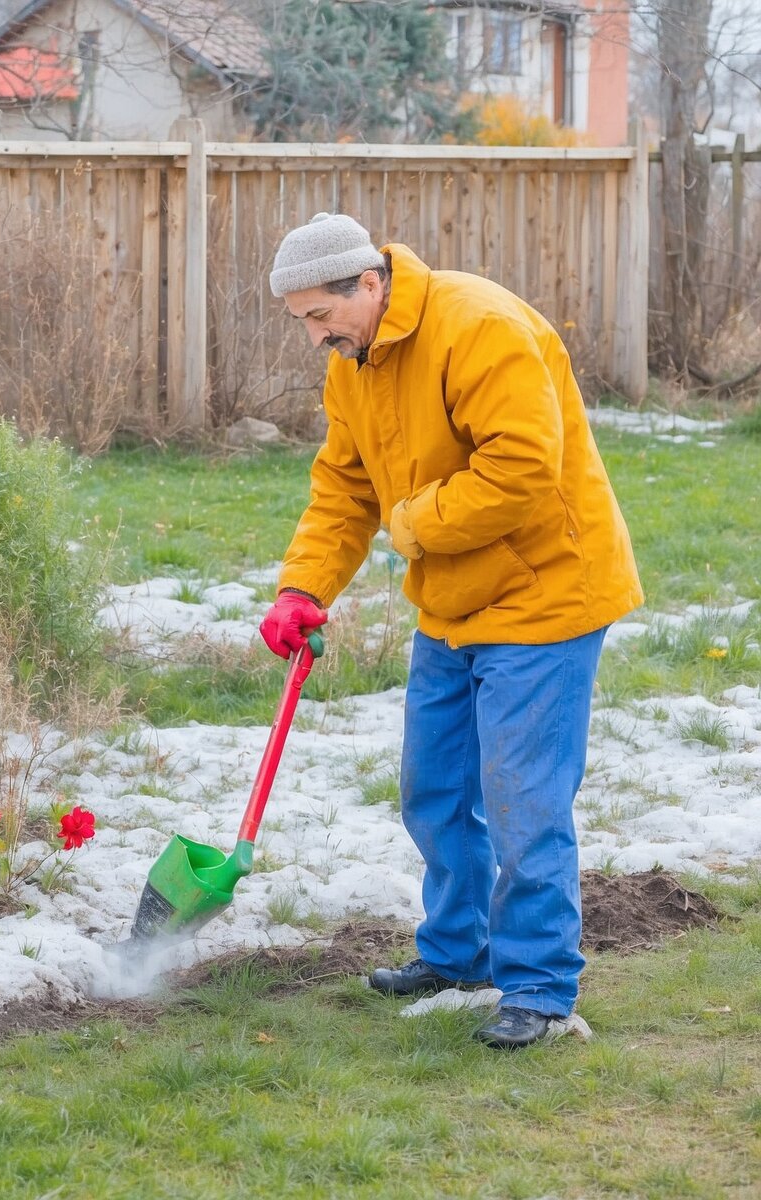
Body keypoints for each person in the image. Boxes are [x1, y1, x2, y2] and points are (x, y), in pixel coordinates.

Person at [259, 213, 643, 1049]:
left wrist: (417, 523)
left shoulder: (478, 327)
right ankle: (458, 953)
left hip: (547, 595)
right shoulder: (355, 365)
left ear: (368, 283)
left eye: (321, 317)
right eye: (305, 325)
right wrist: (302, 587)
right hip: (454, 603)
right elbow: (343, 488)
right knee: (434, 790)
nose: (317, 337)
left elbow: (521, 470)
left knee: (523, 801)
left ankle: (539, 989)